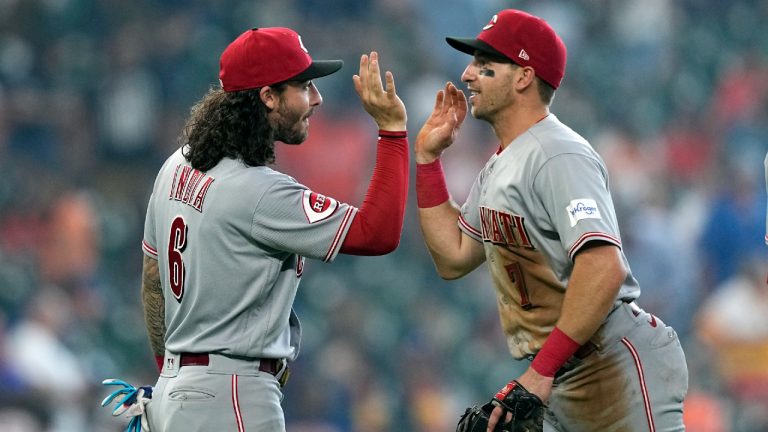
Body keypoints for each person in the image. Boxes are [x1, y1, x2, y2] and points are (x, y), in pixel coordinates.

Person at [414, 9, 687, 431]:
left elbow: (602, 266)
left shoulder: (558, 154)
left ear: (523, 77)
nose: (467, 75)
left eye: (485, 67)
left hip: (609, 360)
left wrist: (541, 371)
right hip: (562, 366)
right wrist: (428, 160)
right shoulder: (501, 165)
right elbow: (453, 256)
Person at [134, 27, 408, 431]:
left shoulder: (176, 165)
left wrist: (172, 373)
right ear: (268, 96)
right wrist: (393, 131)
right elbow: (377, 233)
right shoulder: (259, 190)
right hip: (232, 395)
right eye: (305, 85)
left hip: (175, 393)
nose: (317, 98)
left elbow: (153, 279)